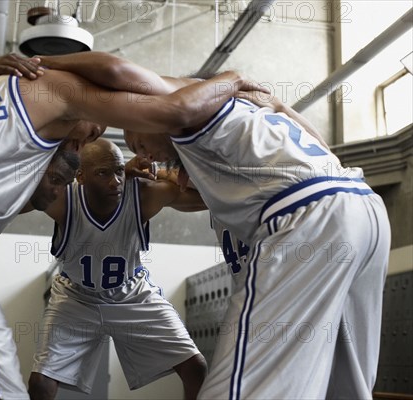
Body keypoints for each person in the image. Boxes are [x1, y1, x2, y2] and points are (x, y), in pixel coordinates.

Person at [0, 52, 262, 399]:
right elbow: (162, 98)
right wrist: (230, 81)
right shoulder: (61, 90)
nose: (82, 141)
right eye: (93, 129)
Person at [121, 85, 391, 397]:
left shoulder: (218, 145)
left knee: (234, 390)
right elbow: (176, 191)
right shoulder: (222, 184)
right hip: (339, 235)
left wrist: (275, 103)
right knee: (343, 388)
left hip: (300, 258)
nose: (144, 155)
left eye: (139, 143)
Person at [25, 138, 208, 400]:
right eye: (103, 173)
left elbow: (208, 195)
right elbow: (17, 197)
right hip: (76, 298)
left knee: (196, 367)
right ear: (81, 176)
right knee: (40, 384)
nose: (115, 182)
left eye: (119, 171)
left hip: (132, 293)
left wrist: (162, 172)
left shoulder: (143, 194)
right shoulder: (64, 200)